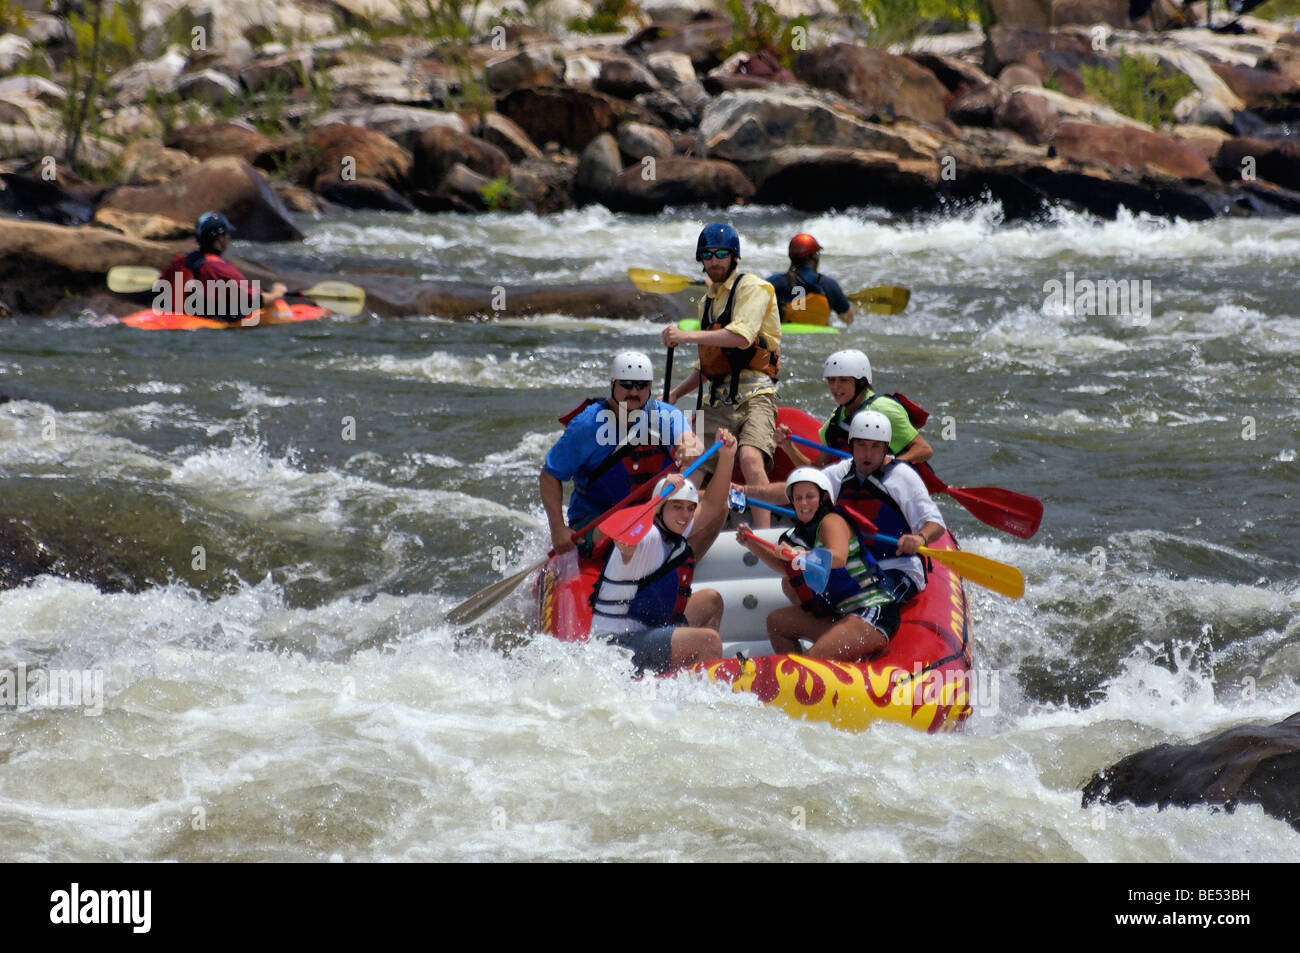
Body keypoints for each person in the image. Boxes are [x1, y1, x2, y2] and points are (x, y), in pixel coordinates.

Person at [741, 411, 944, 661]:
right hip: (855, 564)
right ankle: (836, 639)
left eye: (875, 447)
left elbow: (935, 523)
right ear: (851, 446)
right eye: (861, 445)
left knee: (874, 596)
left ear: (885, 448)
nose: (867, 454)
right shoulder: (838, 475)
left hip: (896, 567)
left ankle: (856, 643)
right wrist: (743, 493)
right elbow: (798, 489)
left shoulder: (901, 477)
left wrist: (920, 538)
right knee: (792, 583)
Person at [661, 222, 782, 528]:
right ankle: (679, 533)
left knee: (750, 459)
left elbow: (740, 338)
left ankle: (764, 536)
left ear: (734, 256)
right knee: (693, 463)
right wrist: (676, 394)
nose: (714, 261)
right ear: (701, 259)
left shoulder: (753, 287)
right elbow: (710, 365)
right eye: (708, 255)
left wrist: (686, 336)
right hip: (716, 402)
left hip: (755, 396)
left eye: (721, 254)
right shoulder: (707, 302)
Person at [588, 430, 739, 673]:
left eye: (690, 508)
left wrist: (727, 457)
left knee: (710, 601)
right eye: (677, 507)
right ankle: (699, 697)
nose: (685, 515)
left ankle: (683, 675)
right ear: (660, 510)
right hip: (615, 645)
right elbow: (626, 543)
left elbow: (712, 504)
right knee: (710, 641)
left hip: (647, 631)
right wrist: (657, 501)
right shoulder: (646, 537)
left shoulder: (676, 529)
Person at [542, 350, 701, 559]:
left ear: (650, 388)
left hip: (653, 514)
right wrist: (557, 529)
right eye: (626, 384)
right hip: (597, 520)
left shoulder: (665, 415)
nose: (633, 392)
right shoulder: (587, 425)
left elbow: (690, 440)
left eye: (641, 386)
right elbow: (550, 474)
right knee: (636, 528)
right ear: (613, 384)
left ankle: (686, 562)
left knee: (717, 502)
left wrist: (689, 446)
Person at [774, 348, 932, 468]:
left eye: (843, 380)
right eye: (831, 380)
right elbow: (818, 470)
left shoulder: (883, 408)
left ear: (861, 382)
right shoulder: (836, 418)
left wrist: (889, 466)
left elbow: (924, 450)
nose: (835, 387)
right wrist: (788, 447)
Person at [157, 212, 287, 321]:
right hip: (201, 319)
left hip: (175, 314)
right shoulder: (219, 267)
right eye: (227, 235)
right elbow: (254, 301)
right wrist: (277, 293)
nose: (228, 238)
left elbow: (161, 288)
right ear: (220, 238)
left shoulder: (180, 259)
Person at [766, 233, 853, 327]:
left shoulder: (774, 282)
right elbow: (848, 318)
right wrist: (838, 298)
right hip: (819, 337)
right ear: (813, 256)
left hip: (786, 336)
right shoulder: (829, 285)